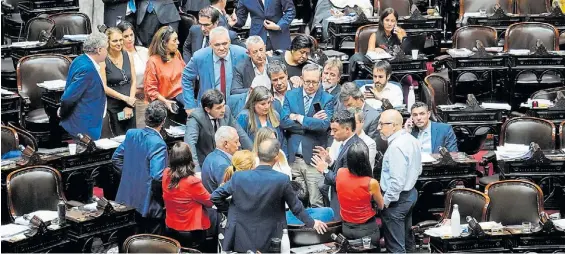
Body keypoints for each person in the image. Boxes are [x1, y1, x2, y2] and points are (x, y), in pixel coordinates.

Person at [211, 138, 328, 253]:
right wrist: (313, 223)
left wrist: (231, 209)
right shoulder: (281, 179)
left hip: (242, 238)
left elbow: (215, 196)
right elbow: (296, 207)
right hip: (271, 239)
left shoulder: (239, 177)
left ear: (256, 154)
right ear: (276, 158)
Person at [280, 64, 335, 208]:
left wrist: (299, 117)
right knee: (294, 201)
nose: (310, 85)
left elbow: (323, 126)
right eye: (307, 81)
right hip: (293, 158)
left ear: (320, 80)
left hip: (313, 158)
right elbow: (284, 123)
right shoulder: (290, 95)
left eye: (314, 82)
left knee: (316, 201)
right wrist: (311, 122)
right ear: (301, 79)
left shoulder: (327, 99)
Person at [112, 101, 169, 234]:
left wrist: (129, 177)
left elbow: (116, 158)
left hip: (127, 198)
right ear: (163, 121)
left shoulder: (132, 134)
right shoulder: (158, 144)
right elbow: (157, 177)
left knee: (128, 241)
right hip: (148, 205)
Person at [377, 109, 422, 253]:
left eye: (382, 124)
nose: (379, 128)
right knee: (407, 242)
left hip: (396, 200)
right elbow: (418, 169)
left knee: (396, 247)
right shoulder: (411, 140)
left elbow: (396, 182)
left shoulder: (396, 146)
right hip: (410, 194)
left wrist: (386, 201)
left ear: (394, 125)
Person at [182, 26, 248, 112]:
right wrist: (190, 106)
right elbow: (186, 78)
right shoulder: (199, 57)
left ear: (230, 42)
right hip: (209, 109)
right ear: (210, 44)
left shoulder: (242, 54)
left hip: (236, 108)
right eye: (217, 45)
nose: (221, 48)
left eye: (224, 44)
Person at [311, 110, 361, 220]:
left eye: (335, 130)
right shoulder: (346, 144)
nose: (332, 134)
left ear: (347, 129)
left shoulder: (354, 148)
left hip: (346, 202)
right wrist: (329, 161)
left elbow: (344, 182)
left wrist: (325, 170)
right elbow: (341, 168)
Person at [185, 89, 252, 168]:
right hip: (205, 164)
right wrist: (197, 172)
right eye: (218, 108)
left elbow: (241, 134)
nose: (223, 110)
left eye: (223, 105)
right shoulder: (195, 118)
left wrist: (253, 155)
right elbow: (190, 144)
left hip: (226, 161)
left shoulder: (226, 111)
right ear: (207, 109)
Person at [162, 142, 212, 248]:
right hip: (191, 232)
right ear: (189, 159)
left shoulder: (166, 174)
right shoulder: (192, 182)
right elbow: (210, 202)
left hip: (171, 226)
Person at [59, 32, 108, 140]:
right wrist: (62, 113)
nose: (107, 52)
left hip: (86, 123)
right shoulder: (88, 69)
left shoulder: (79, 59)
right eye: (106, 48)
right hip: (83, 127)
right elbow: (68, 98)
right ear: (99, 50)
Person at [336, 142, 384, 246]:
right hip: (367, 229)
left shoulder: (340, 173)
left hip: (346, 228)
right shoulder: (371, 183)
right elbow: (381, 205)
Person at [348, 8, 407, 81]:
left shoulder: (400, 34)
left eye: (392, 21)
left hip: (396, 68)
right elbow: (369, 54)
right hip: (378, 68)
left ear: (396, 23)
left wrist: (402, 38)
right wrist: (374, 50)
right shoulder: (375, 35)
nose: (389, 23)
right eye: (387, 20)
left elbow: (405, 53)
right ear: (382, 21)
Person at [100, 27, 137, 136]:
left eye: (121, 40)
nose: (119, 43)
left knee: (132, 137)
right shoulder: (103, 59)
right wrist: (125, 99)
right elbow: (104, 87)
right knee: (117, 139)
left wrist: (129, 104)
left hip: (130, 104)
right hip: (114, 105)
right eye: (115, 41)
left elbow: (134, 81)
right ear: (108, 42)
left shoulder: (128, 55)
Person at [144, 26, 187, 117]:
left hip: (182, 97)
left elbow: (185, 74)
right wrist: (165, 102)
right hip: (165, 102)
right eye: (174, 40)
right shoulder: (153, 61)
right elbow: (151, 90)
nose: (178, 43)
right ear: (164, 43)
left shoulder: (176, 54)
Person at [117, 21, 150, 128]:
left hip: (146, 97)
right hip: (126, 100)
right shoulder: (117, 57)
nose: (130, 39)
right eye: (126, 36)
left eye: (131, 35)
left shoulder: (144, 51)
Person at [201, 125, 242, 193]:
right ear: (226, 144)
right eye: (236, 141)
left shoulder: (211, 156)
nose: (239, 144)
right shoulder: (223, 166)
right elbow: (228, 193)